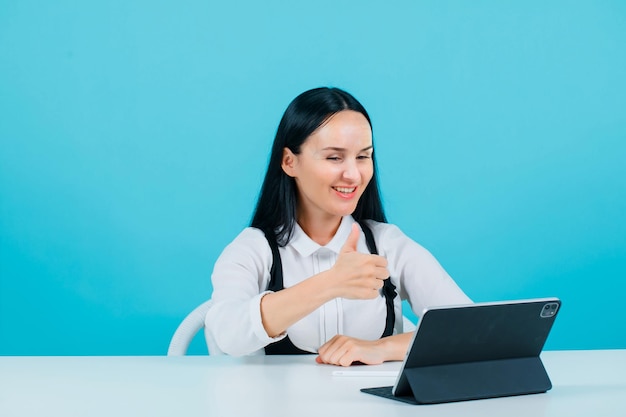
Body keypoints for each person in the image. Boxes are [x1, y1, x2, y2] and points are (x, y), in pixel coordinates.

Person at [205, 87, 471, 366]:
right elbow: (228, 335)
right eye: (334, 157)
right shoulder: (255, 249)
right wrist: (330, 283)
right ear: (289, 161)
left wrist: (380, 349)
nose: (353, 174)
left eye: (363, 156)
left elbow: (469, 327)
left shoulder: (387, 244)